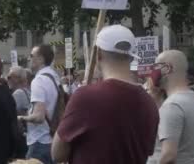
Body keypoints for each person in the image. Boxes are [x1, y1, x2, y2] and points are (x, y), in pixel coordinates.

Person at [51, 25, 159, 164]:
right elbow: (148, 151)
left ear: (98, 54)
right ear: (131, 58)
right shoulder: (149, 102)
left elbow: (57, 154)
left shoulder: (85, 97)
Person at [147, 50, 194, 164]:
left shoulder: (172, 105)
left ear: (167, 68)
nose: (153, 71)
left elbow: (169, 156)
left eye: (156, 66)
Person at [18, 44, 61, 164]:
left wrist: (21, 118)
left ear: (41, 59)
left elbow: (39, 117)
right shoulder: (54, 77)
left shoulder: (39, 80)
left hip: (39, 141)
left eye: (32, 56)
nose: (29, 59)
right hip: (52, 139)